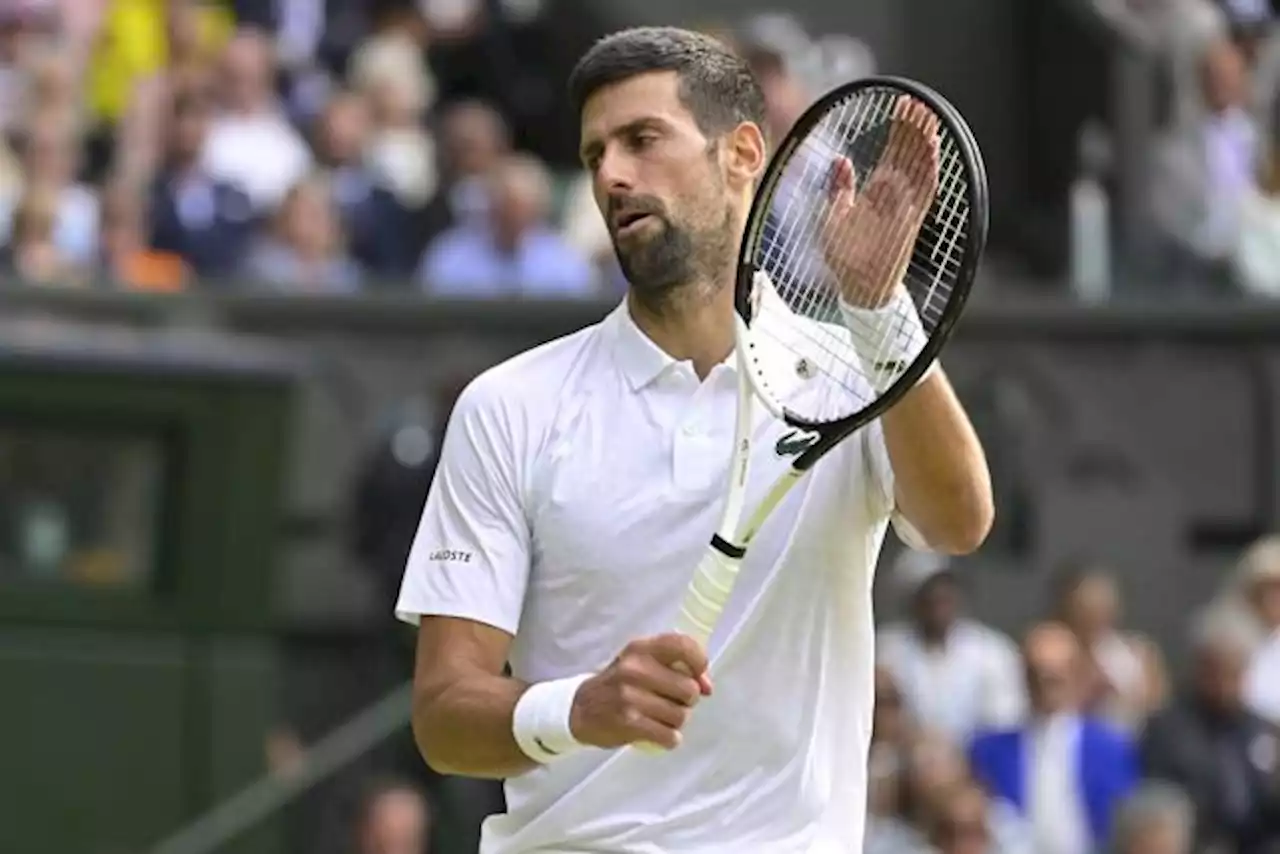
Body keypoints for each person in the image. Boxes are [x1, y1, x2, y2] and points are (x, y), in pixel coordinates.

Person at [396, 26, 992, 853]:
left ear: (743, 153)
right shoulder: (509, 407)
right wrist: (581, 709)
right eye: (595, 152)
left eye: (642, 140)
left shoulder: (853, 379)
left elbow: (959, 522)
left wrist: (877, 304)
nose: (612, 174)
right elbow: (443, 716)